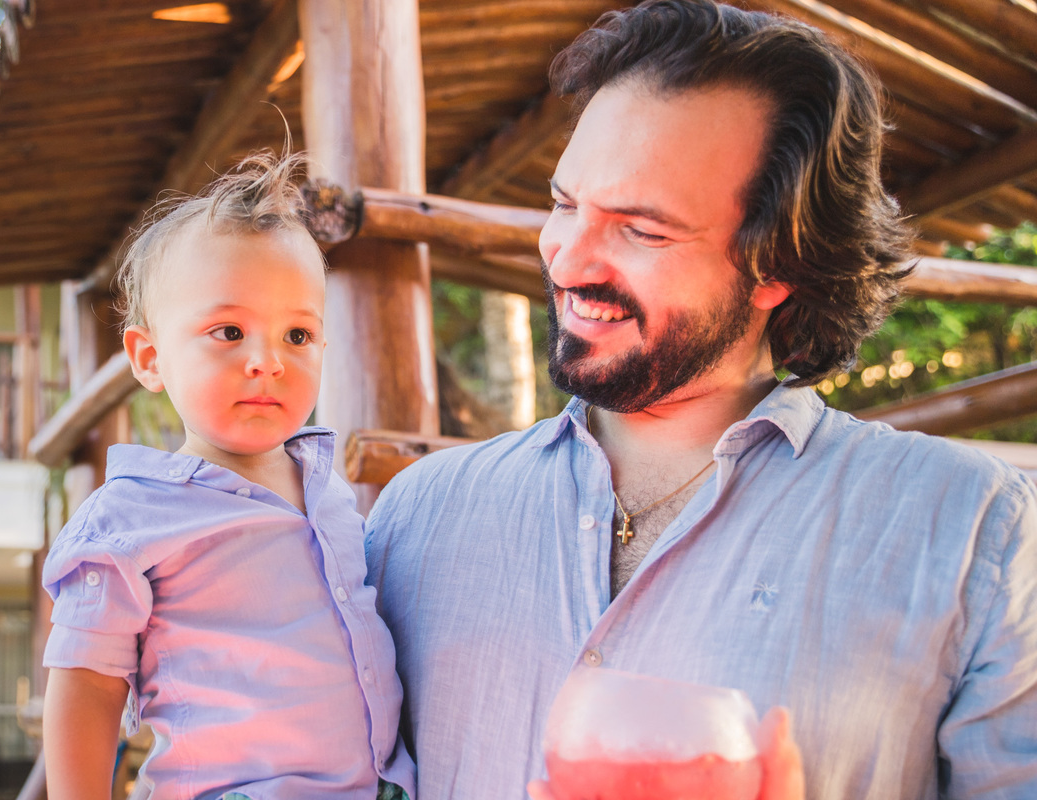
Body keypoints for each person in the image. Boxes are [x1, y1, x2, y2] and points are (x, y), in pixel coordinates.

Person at [364, 2, 1037, 799]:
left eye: (642, 231)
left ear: (780, 263)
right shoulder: (415, 518)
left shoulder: (974, 531)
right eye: (565, 204)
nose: (566, 260)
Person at [41, 152, 415, 800]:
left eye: (297, 335)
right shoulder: (131, 518)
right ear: (150, 358)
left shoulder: (329, 495)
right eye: (230, 330)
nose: (267, 361)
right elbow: (86, 686)